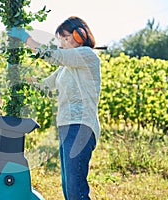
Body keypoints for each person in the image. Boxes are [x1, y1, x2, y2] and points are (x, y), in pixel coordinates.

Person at [8, 16, 101, 200]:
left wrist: (26, 38)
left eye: (65, 37)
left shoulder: (87, 55)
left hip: (81, 126)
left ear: (80, 35)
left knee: (76, 190)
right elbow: (44, 86)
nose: (62, 43)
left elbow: (53, 56)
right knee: (68, 187)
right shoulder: (67, 67)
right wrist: (18, 75)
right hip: (67, 127)